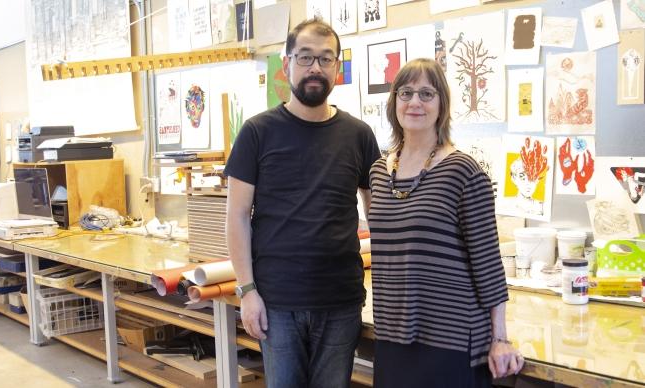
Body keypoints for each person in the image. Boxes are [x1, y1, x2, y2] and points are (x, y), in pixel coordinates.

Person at [224, 18, 380, 388]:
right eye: (306, 57)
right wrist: (247, 292)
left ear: (337, 68)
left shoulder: (358, 135)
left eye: (326, 59)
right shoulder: (257, 132)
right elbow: (236, 216)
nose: (315, 68)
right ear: (287, 63)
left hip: (340, 299)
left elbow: (379, 214)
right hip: (277, 302)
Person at [368, 58, 524, 387]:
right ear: (394, 100)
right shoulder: (380, 173)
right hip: (392, 334)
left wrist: (501, 337)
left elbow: (488, 262)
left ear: (442, 104)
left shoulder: (464, 172)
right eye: (406, 92)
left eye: (427, 94)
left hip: (451, 339)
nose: (414, 102)